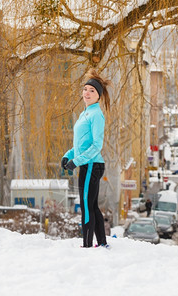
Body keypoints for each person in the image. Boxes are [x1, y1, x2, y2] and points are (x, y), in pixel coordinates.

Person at [61, 69, 111, 248]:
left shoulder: (96, 114)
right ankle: (103, 243)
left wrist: (78, 161)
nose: (87, 93)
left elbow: (97, 145)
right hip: (88, 163)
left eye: (92, 90)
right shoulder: (86, 113)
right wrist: (68, 156)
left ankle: (88, 245)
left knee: (86, 207)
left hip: (91, 165)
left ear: (98, 95)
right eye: (85, 89)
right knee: (92, 205)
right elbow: (81, 144)